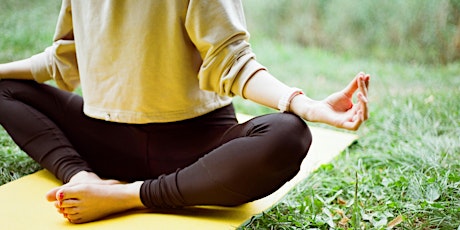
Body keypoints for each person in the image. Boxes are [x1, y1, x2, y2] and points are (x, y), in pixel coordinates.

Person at [0, 0, 370, 224]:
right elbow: (65, 58)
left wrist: (306, 106)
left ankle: (129, 196)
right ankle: (85, 179)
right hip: (107, 137)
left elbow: (234, 63)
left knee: (290, 134)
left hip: (195, 147)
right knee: (5, 89)